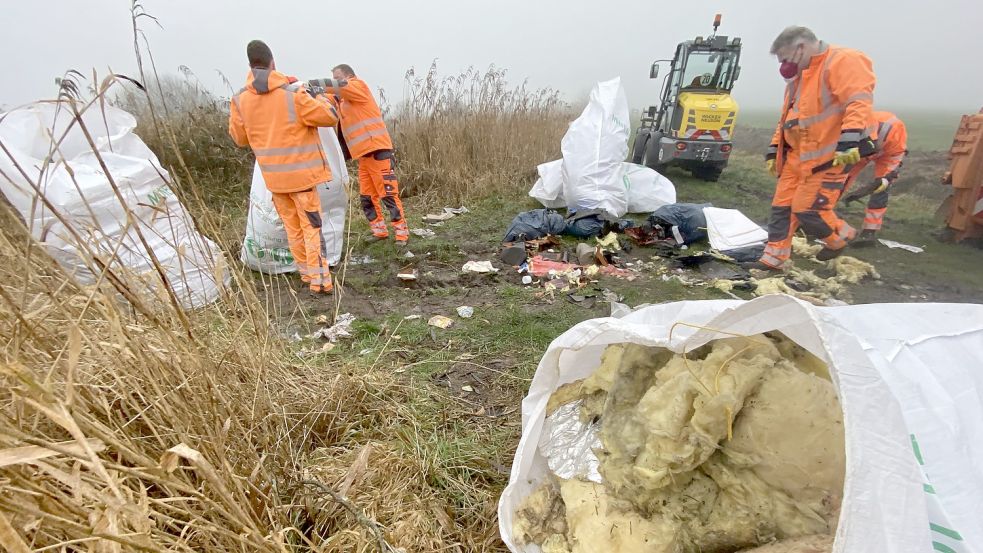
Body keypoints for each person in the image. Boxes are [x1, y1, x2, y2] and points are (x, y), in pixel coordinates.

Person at [757, 26, 877, 270]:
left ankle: (838, 239)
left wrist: (850, 138)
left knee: (807, 209)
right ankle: (773, 259)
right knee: (781, 207)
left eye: (786, 59)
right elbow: (789, 117)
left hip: (829, 155)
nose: (785, 66)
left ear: (801, 48)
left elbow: (858, 100)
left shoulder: (843, 61)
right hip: (797, 156)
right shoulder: (799, 78)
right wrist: (774, 148)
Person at [229, 40, 339, 294]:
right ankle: (320, 281)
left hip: (275, 181)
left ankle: (305, 273)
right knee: (311, 228)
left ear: (250, 65)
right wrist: (316, 94)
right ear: (273, 63)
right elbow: (330, 116)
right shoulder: (293, 94)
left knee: (292, 229)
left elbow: (240, 139)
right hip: (302, 177)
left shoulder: (239, 100)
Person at [314, 64, 409, 246]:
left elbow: (339, 86)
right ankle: (379, 231)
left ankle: (401, 234)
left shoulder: (358, 87)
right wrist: (307, 92)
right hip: (363, 156)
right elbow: (325, 99)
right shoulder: (341, 100)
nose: (335, 80)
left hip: (378, 151)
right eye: (333, 77)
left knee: (388, 194)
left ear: (350, 76)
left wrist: (317, 83)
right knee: (367, 197)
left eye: (338, 77)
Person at [840, 111, 908, 246]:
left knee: (882, 188)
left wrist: (879, 183)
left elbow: (889, 172)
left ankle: (869, 232)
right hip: (858, 150)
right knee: (840, 178)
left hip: (889, 152)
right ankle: (822, 215)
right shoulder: (853, 127)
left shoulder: (894, 133)